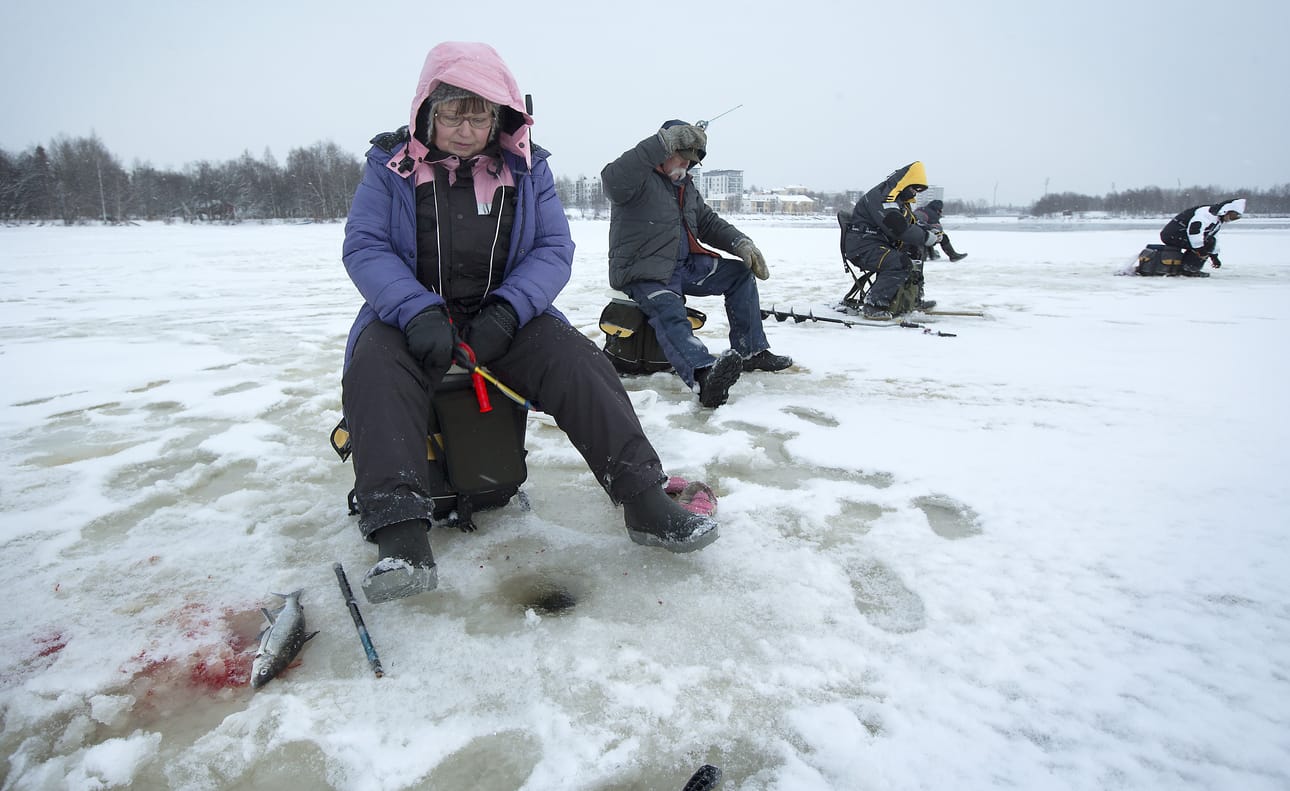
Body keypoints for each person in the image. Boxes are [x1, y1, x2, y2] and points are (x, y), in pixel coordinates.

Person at [341, 42, 717, 604]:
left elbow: (552, 247)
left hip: (505, 312)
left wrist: (509, 309)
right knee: (374, 366)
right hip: (409, 315)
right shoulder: (390, 165)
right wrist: (416, 310)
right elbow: (366, 245)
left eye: (481, 113)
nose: (467, 128)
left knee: (579, 360)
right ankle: (400, 533)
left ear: (502, 116)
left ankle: (642, 499)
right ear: (426, 111)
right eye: (453, 112)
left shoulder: (528, 166)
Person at [601, 120, 792, 409]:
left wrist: (741, 243)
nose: (685, 166)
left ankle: (751, 350)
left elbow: (707, 222)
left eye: (691, 163)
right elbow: (612, 179)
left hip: (684, 266)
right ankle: (704, 376)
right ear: (665, 149)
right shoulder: (635, 180)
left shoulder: (685, 187)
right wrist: (661, 141)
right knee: (670, 311)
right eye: (681, 157)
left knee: (739, 275)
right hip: (644, 271)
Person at [842, 161, 940, 320]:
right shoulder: (884, 197)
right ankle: (873, 305)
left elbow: (911, 222)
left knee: (915, 251)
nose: (915, 194)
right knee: (899, 262)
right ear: (906, 183)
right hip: (863, 246)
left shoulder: (899, 200)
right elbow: (899, 227)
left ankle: (913, 299)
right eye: (914, 189)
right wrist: (926, 237)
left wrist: (929, 230)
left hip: (876, 244)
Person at [1159, 198, 1245, 277]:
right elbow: (1194, 231)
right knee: (1206, 243)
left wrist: (1214, 256)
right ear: (1226, 210)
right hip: (1172, 235)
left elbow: (1213, 235)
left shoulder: (1217, 220)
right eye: (1233, 216)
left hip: (1181, 235)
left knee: (1209, 242)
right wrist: (1201, 250)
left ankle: (1189, 267)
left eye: (1236, 218)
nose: (1231, 219)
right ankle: (1189, 270)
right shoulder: (1206, 213)